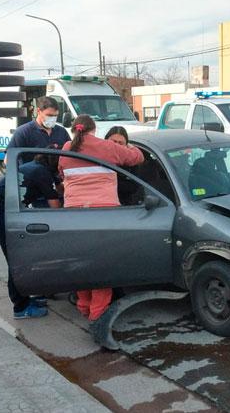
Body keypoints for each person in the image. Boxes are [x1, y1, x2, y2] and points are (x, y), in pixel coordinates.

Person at [58, 116, 144, 322]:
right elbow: (138, 157)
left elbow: (62, 174)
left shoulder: (66, 148)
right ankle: (98, 316)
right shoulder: (106, 147)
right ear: (94, 130)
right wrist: (129, 147)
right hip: (103, 215)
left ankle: (84, 306)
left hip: (74, 216)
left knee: (81, 262)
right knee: (101, 266)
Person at [0, 145, 65, 319]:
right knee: (15, 257)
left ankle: (26, 298)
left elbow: (57, 188)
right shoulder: (41, 173)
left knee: (21, 256)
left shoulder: (36, 167)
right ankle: (20, 307)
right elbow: (55, 206)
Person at [5, 96, 70, 166]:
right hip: (31, 175)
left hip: (57, 176)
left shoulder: (62, 132)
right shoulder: (23, 132)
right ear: (38, 111)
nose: (53, 119)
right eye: (49, 115)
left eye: (55, 116)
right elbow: (8, 159)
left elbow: (71, 155)